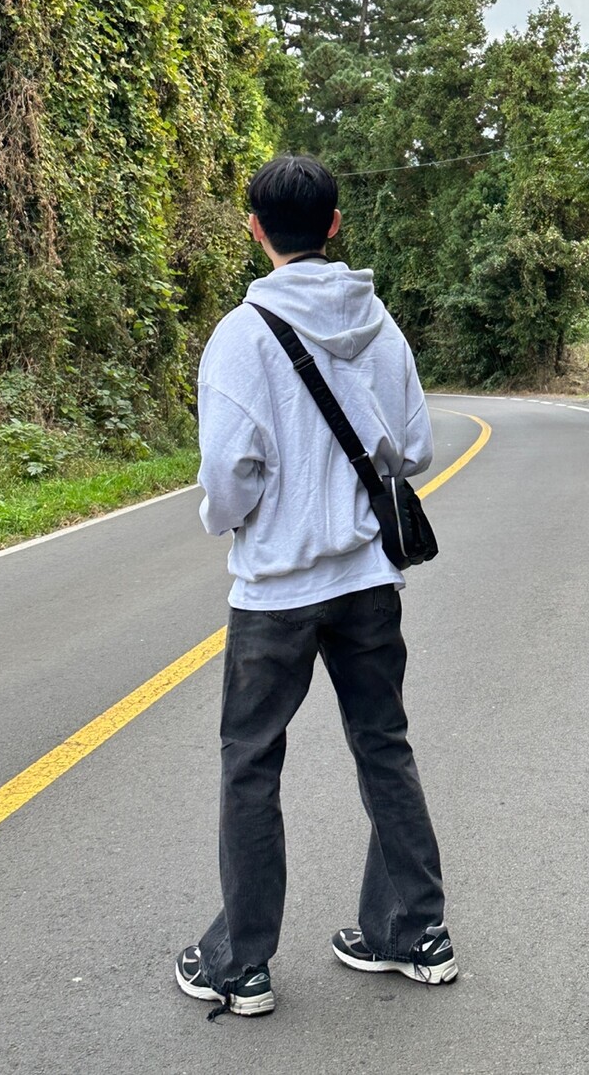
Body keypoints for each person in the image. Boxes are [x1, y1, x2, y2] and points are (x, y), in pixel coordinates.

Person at [175, 154, 456, 1019]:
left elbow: (230, 477)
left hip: (274, 591)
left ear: (253, 228)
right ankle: (415, 932)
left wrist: (235, 518)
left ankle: (242, 965)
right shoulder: (381, 325)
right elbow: (415, 449)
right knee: (384, 745)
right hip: (368, 580)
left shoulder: (239, 337)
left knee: (251, 763)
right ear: (335, 224)